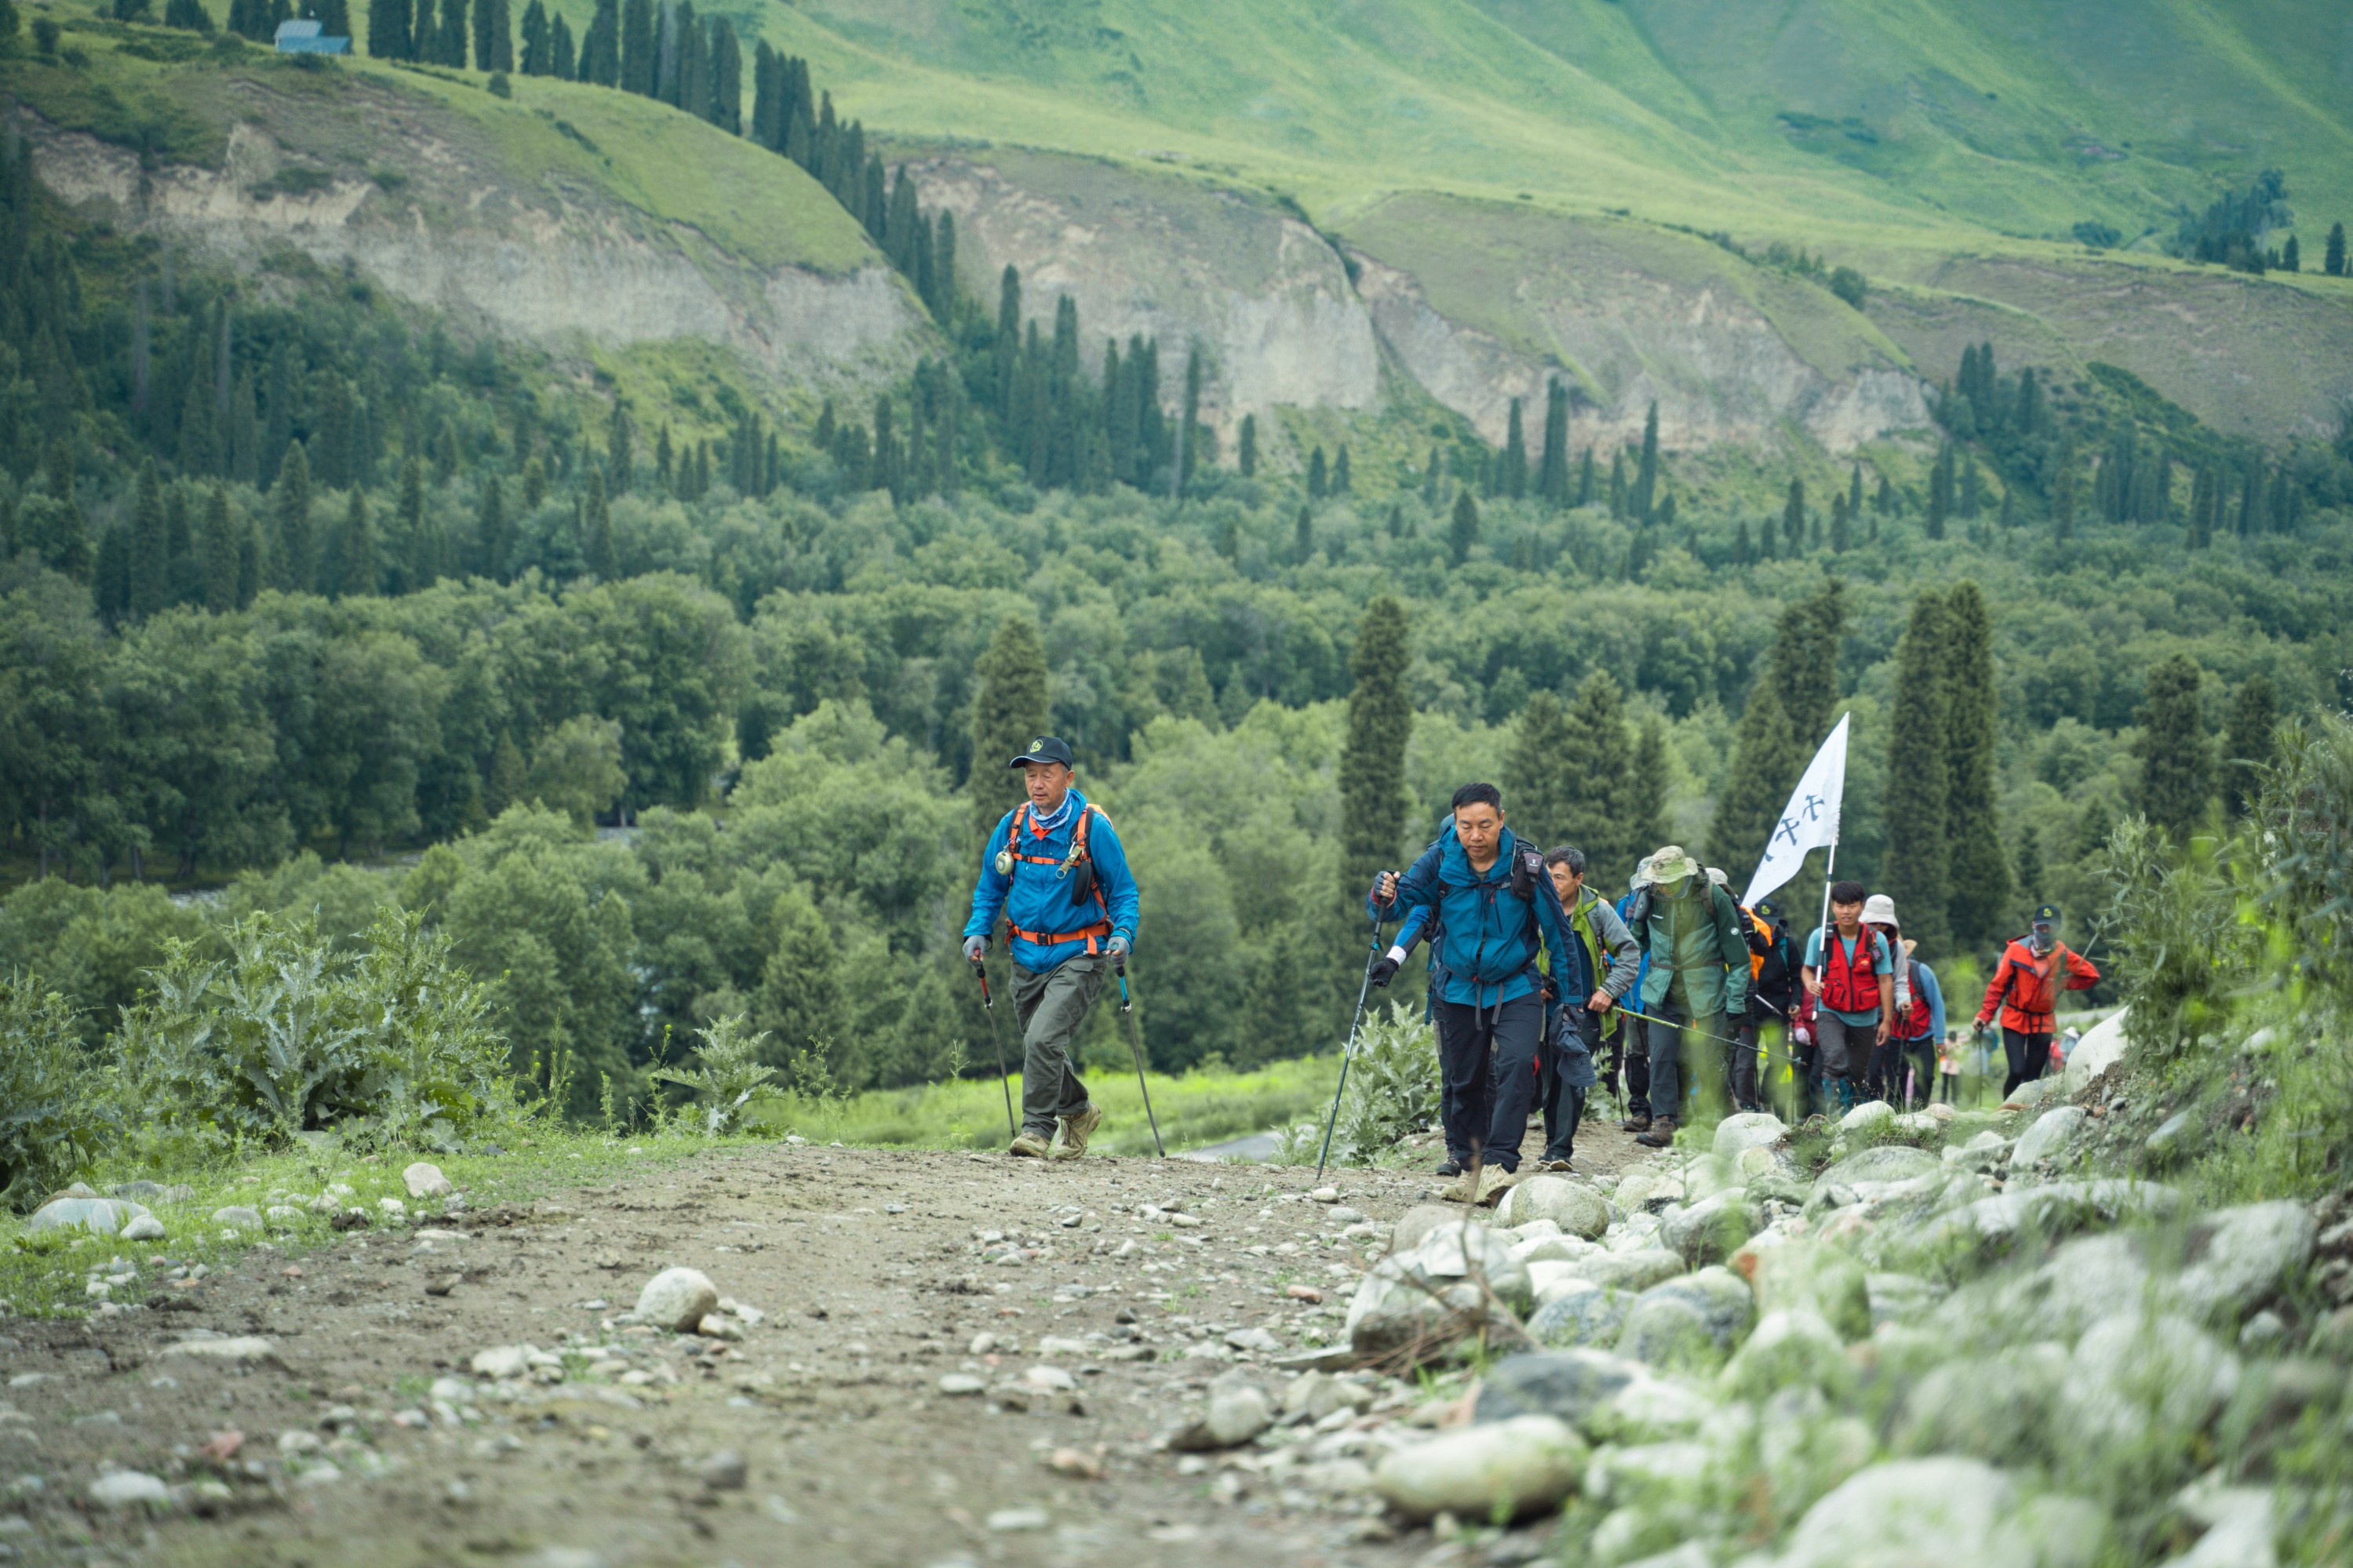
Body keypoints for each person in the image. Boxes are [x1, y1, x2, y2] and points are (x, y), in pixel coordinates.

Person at [1368, 783, 1575, 1200]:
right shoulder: (1440, 859)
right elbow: (1396, 908)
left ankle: (1500, 1165)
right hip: (1458, 989)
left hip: (1516, 986)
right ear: (1455, 824)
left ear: (1502, 819)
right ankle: (1469, 1167)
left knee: (1517, 1066)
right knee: (1464, 1082)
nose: (1475, 836)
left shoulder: (1527, 865)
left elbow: (1559, 935)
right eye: (1466, 826)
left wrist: (1571, 1002)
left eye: (1485, 825)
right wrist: (1382, 893)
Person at [963, 737, 1140, 1161]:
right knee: (1040, 1045)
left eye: (1046, 774)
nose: (1037, 783)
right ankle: (1078, 1111)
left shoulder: (1090, 827)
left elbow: (1124, 892)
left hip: (1080, 954)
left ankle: (1036, 1131)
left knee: (1041, 1041)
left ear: (1068, 777)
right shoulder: (1012, 826)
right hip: (1025, 956)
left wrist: (1123, 935)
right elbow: (991, 885)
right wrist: (977, 931)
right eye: (1030, 775)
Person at [1623, 846, 1752, 1148]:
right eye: (1658, 881)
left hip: (1705, 991)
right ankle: (1664, 1122)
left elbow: (1739, 959)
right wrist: (1615, 983)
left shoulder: (1712, 896)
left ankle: (1720, 1122)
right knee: (1662, 1058)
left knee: (1709, 1060)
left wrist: (1735, 1000)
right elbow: (1634, 944)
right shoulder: (1648, 895)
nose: (1663, 887)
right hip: (1661, 990)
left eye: (1668, 882)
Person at [1538, 846, 1641, 1170]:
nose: (1552, 883)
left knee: (1572, 1074)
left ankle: (1560, 1150)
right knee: (1549, 1080)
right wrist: (1533, 982)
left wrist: (1609, 991)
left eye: (1559, 877)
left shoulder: (1597, 911)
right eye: (1548, 875)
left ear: (1578, 879)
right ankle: (1551, 1145)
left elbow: (1629, 953)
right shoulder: (1537, 907)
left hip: (1585, 1010)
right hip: (1545, 1009)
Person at [1975, 903, 2100, 1097]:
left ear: (2057, 929)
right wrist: (1985, 1015)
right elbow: (1997, 986)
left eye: (2049, 927)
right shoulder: (2016, 950)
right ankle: (2005, 1110)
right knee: (2017, 1071)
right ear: (2033, 925)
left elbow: (2091, 975)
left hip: (2044, 1021)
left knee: (2033, 1076)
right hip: (2014, 1018)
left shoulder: (2061, 953)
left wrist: (2063, 982)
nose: (2045, 931)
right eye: (2041, 926)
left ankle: (2025, 1113)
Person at [1801, 880, 1897, 1112]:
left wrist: (1886, 1020)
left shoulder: (1876, 940)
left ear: (1862, 907)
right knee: (1834, 1058)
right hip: (1830, 1010)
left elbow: (1885, 979)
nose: (1846, 911)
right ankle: (1832, 1113)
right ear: (1833, 906)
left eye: (1852, 906)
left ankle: (1854, 1114)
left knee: (1857, 1071)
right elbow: (1807, 969)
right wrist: (1810, 983)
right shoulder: (1821, 937)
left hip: (1865, 1017)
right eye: (1840, 906)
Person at [1861, 895, 1944, 1108]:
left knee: (1925, 1078)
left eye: (1883, 924)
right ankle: (1891, 1115)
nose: (1878, 927)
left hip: (1921, 1034)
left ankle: (1918, 1114)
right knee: (1895, 1078)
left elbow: (1937, 1005)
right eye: (1874, 923)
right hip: (1894, 1034)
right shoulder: (1865, 948)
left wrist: (1941, 1038)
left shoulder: (1921, 972)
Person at [1743, 895, 1802, 1115]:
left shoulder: (1787, 944)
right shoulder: (1747, 940)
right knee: (1745, 1062)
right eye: (1763, 922)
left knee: (1779, 1060)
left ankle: (1767, 1097)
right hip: (1749, 1007)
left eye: (1772, 922)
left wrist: (1796, 1001)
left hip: (1778, 1010)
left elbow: (1796, 976)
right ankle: (1747, 1106)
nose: (1768, 926)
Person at [1612, 859, 1655, 1133]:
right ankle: (1640, 1110)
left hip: (1663, 990)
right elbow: (1614, 944)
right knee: (1636, 1052)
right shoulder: (1624, 905)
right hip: (1634, 990)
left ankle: (1669, 1112)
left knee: (1667, 1053)